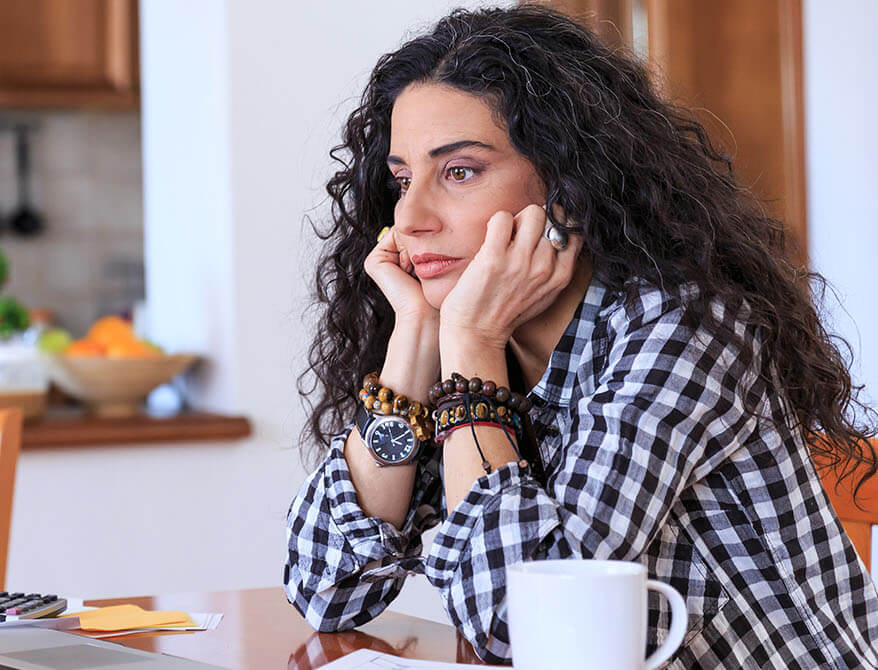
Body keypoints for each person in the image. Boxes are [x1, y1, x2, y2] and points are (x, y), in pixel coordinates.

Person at [283, 5, 878, 668]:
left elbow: (523, 624)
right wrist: (417, 338)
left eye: (460, 172)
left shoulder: (684, 327)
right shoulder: (465, 334)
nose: (410, 217)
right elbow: (326, 589)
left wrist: (472, 348)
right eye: (401, 180)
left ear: (568, 184)